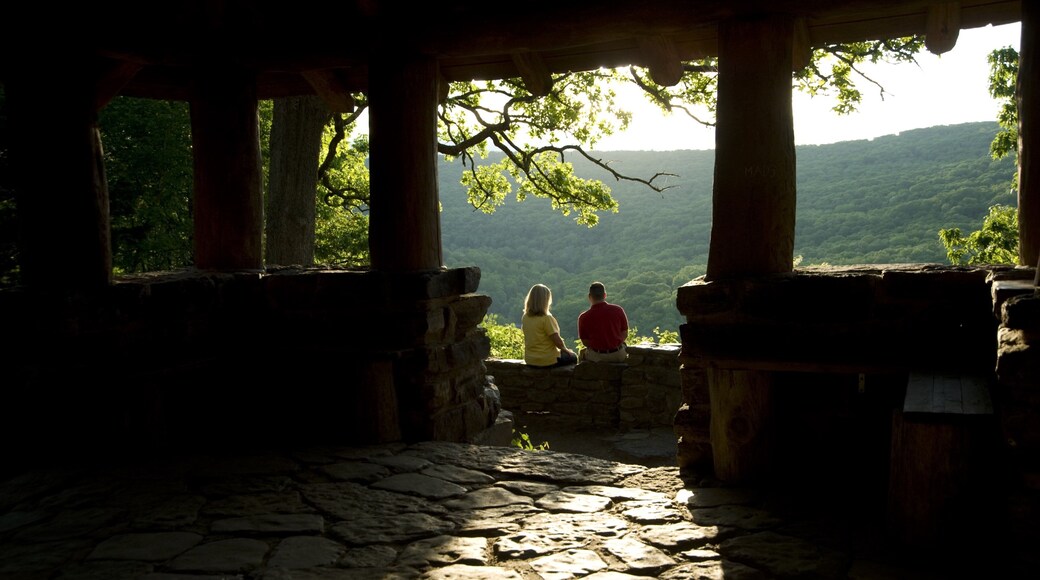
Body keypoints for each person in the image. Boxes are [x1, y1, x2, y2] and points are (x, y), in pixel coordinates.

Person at [521, 283, 578, 368]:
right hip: (547, 360)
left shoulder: (525, 317)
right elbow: (557, 340)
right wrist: (566, 350)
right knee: (573, 357)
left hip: (530, 359)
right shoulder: (547, 318)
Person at [577, 281, 629, 363]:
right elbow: (625, 333)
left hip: (597, 356)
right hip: (618, 354)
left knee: (582, 353)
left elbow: (585, 342)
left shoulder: (584, 317)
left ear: (590, 297)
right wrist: (614, 343)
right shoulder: (618, 310)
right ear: (605, 295)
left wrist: (599, 345)